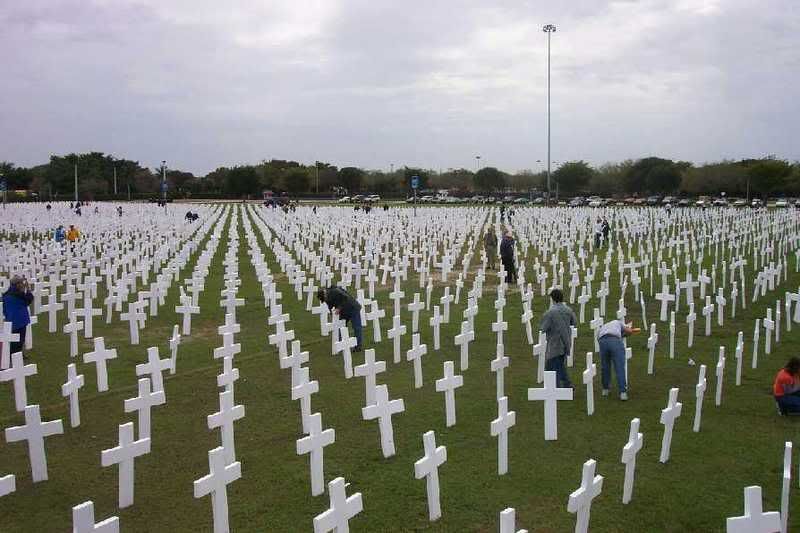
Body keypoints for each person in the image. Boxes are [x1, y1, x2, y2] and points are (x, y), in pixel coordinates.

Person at [539, 288, 576, 388]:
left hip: (554, 343)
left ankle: (560, 387)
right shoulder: (568, 310)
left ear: (553, 299)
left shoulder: (550, 313)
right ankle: (564, 385)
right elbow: (574, 322)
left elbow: (543, 328)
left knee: (554, 366)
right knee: (558, 364)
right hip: (566, 342)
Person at [597, 319, 641, 401]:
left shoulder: (604, 326)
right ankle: (623, 393)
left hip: (602, 341)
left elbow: (598, 337)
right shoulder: (618, 322)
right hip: (615, 341)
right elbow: (628, 331)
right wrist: (631, 331)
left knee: (605, 367)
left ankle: (605, 390)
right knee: (619, 366)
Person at [317, 286, 363, 351]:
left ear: (325, 294)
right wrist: (332, 314)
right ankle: (341, 345)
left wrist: (339, 308)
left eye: (324, 299)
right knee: (340, 327)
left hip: (352, 308)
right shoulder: (326, 297)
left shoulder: (335, 291)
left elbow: (345, 298)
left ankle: (358, 346)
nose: (325, 300)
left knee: (357, 327)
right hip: (343, 311)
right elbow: (330, 306)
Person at [2, 275, 33, 356]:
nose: (22, 284)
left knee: (14, 340)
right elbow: (29, 300)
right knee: (20, 340)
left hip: (10, 319)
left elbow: (4, 309)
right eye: (20, 283)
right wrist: (28, 289)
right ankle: (16, 356)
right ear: (17, 284)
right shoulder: (19, 294)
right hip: (20, 320)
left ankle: (15, 355)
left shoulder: (6, 294)